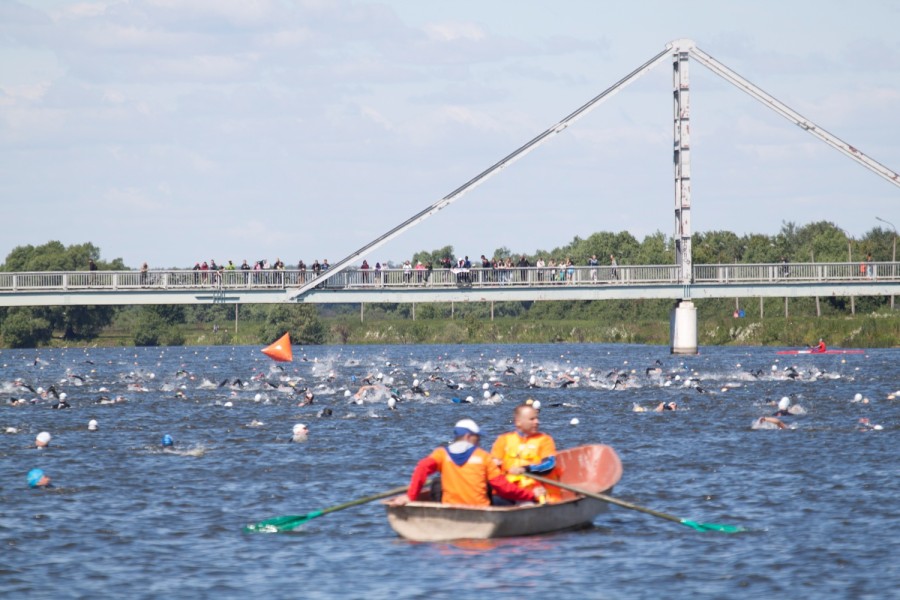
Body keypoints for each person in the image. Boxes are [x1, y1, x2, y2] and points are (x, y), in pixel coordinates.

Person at [389, 419, 541, 507]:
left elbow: (422, 468)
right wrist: (529, 495)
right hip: (480, 509)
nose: (479, 440)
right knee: (509, 499)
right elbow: (503, 488)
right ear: (468, 437)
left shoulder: (441, 454)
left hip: (451, 507)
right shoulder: (483, 457)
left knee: (437, 482)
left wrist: (411, 496)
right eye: (477, 437)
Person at [490, 404, 561, 502]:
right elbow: (491, 468)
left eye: (537, 418)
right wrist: (493, 464)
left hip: (534, 491)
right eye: (532, 419)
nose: (537, 422)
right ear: (519, 422)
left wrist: (526, 469)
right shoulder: (503, 440)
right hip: (508, 491)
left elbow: (549, 465)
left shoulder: (544, 440)